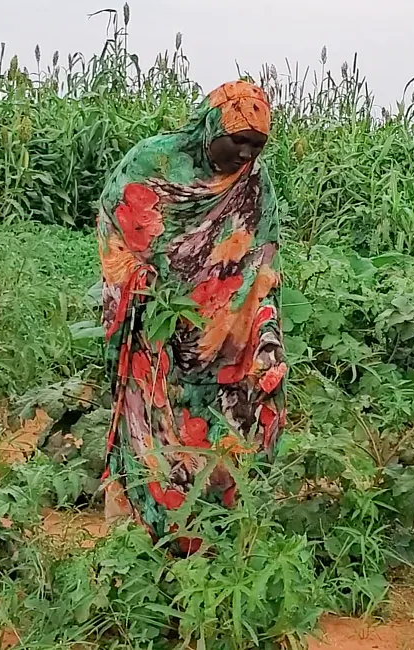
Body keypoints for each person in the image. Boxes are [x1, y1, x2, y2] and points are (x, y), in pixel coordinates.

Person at [96, 80, 286, 552]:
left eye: (256, 144)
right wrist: (141, 287)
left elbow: (261, 259)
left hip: (223, 333)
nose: (244, 154)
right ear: (210, 126)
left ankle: (215, 537)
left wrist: (261, 326)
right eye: (236, 138)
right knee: (153, 418)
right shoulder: (153, 162)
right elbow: (114, 225)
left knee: (228, 417)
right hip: (155, 323)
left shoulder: (254, 184)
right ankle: (141, 540)